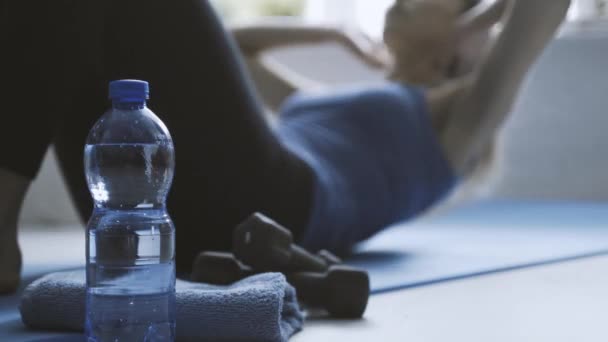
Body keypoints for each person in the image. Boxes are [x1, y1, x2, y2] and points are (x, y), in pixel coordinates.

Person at [0, 0, 571, 293]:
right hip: (155, 201)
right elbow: (228, 52)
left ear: (462, 49)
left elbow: (541, 11)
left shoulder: (454, 139)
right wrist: (325, 31)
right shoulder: (347, 108)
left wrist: (484, 19)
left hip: (263, 212)